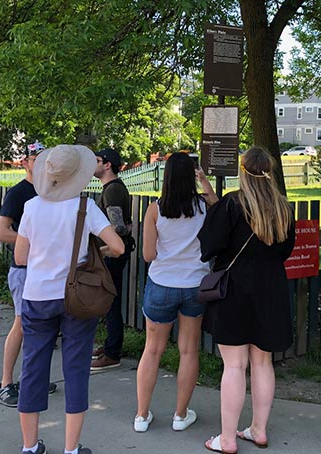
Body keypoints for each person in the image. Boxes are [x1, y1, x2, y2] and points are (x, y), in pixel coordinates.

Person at [14, 144, 125, 454]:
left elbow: (20, 257)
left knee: (33, 368)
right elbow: (118, 247)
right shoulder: (84, 208)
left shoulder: (32, 207)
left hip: (37, 296)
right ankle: (71, 449)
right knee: (75, 370)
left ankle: (29, 446)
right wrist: (95, 252)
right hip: (76, 296)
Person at [199, 147, 295, 454]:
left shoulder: (233, 204)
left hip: (235, 290)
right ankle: (259, 430)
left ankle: (227, 439)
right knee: (263, 362)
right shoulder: (283, 207)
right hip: (271, 289)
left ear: (244, 171)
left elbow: (210, 246)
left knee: (235, 365)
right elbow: (285, 251)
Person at [134, 153, 218, 433]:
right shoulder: (204, 206)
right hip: (195, 285)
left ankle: (142, 415)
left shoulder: (155, 209)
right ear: (190, 175)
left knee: (152, 350)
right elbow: (219, 207)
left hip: (161, 285)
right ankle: (180, 415)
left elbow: (148, 254)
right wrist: (204, 181)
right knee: (188, 351)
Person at [0, 141, 56, 407]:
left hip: (44, 270)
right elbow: (0, 232)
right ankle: (5, 384)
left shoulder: (50, 191)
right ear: (25, 163)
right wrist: (31, 242)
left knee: (40, 327)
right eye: (35, 158)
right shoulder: (19, 193)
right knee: (20, 324)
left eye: (44, 158)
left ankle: (33, 378)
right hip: (23, 270)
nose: (40, 162)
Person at [91, 147, 134, 371]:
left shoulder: (112, 190)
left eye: (97, 160)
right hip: (111, 252)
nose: (94, 164)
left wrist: (126, 228)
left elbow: (117, 226)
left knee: (111, 302)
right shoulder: (112, 188)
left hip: (112, 252)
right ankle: (110, 346)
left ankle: (112, 352)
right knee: (110, 301)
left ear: (107, 165)